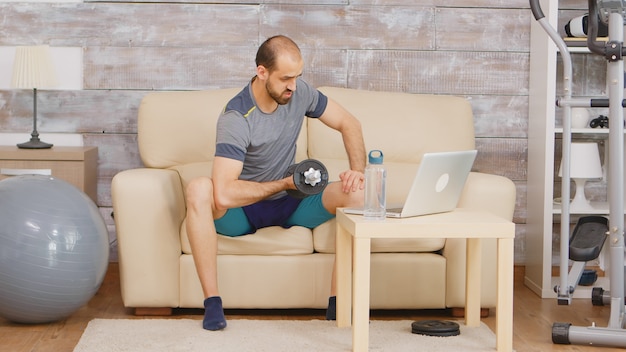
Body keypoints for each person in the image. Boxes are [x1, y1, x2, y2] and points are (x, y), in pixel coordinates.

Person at [185, 35, 366, 331]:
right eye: (285, 78)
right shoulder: (237, 117)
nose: (293, 86)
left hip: (291, 204)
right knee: (198, 188)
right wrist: (282, 183)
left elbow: (350, 123)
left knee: (358, 193)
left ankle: (338, 304)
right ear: (262, 72)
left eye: (297, 77)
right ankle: (213, 302)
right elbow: (226, 193)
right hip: (243, 212)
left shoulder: (299, 93)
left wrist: (357, 171)